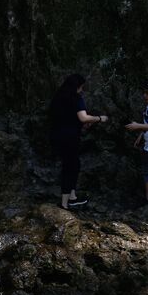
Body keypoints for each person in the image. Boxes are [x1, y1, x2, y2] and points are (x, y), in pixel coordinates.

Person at [48, 74, 110, 209]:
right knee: (71, 167)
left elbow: (65, 117)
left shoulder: (57, 98)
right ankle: (65, 203)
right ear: (77, 87)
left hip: (57, 136)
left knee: (71, 164)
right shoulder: (76, 98)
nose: (81, 90)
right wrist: (100, 118)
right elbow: (83, 118)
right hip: (70, 137)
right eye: (81, 87)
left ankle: (72, 196)